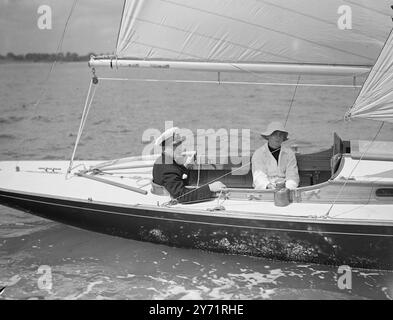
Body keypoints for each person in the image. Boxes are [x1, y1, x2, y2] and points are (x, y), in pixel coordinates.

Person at [152, 127, 226, 203]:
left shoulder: (163, 160)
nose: (183, 149)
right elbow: (182, 196)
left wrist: (186, 166)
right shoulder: (167, 168)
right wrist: (210, 188)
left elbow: (175, 174)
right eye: (179, 145)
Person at [252, 121, 299, 190]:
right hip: (265, 190)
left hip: (285, 189)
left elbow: (292, 176)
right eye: (275, 134)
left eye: (280, 135)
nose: (278, 137)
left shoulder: (289, 153)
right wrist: (268, 186)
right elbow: (259, 177)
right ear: (268, 136)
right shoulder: (258, 153)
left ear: (283, 138)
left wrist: (287, 188)